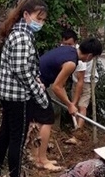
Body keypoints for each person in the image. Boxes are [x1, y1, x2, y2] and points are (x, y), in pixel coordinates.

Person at [0, 0, 49, 177]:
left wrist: (35, 78)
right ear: (25, 15)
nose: (40, 23)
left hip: (8, 94)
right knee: (17, 137)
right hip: (18, 96)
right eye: (38, 18)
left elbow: (24, 67)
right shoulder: (22, 37)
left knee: (5, 133)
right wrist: (38, 92)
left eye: (43, 20)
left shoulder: (17, 33)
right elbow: (22, 71)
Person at [32, 38, 98, 170]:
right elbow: (57, 87)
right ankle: (42, 159)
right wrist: (70, 104)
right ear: (90, 55)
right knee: (47, 119)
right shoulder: (71, 63)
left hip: (36, 82)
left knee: (40, 120)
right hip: (36, 84)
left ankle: (37, 157)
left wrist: (70, 104)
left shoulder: (69, 50)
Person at [69, 37, 104, 135]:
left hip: (87, 81)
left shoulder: (83, 60)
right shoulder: (77, 51)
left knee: (81, 106)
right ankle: (76, 127)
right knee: (74, 106)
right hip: (76, 81)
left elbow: (81, 80)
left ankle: (78, 132)